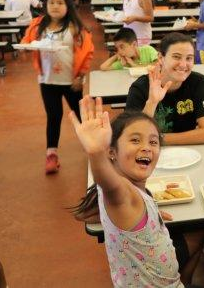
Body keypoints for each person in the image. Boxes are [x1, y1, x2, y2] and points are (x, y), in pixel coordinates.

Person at [68, 99, 183, 287]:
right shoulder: (123, 192)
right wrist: (96, 152)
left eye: (153, 142)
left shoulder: (132, 194)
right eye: (135, 140)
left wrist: (148, 216)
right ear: (111, 152)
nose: (146, 147)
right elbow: (111, 187)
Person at [20, 0, 94, 174]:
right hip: (47, 80)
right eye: (51, 2)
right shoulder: (37, 25)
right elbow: (27, 42)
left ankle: (93, 147)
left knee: (79, 114)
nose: (55, 6)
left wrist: (81, 76)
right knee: (54, 117)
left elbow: (88, 52)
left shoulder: (75, 27)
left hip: (71, 81)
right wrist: (24, 47)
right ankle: (51, 155)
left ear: (68, 6)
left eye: (60, 3)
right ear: (46, 5)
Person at [125, 32, 204, 144]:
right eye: (176, 57)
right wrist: (152, 103)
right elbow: (132, 136)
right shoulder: (140, 87)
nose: (183, 64)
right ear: (160, 58)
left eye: (189, 58)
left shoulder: (198, 82)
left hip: (187, 152)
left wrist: (158, 139)